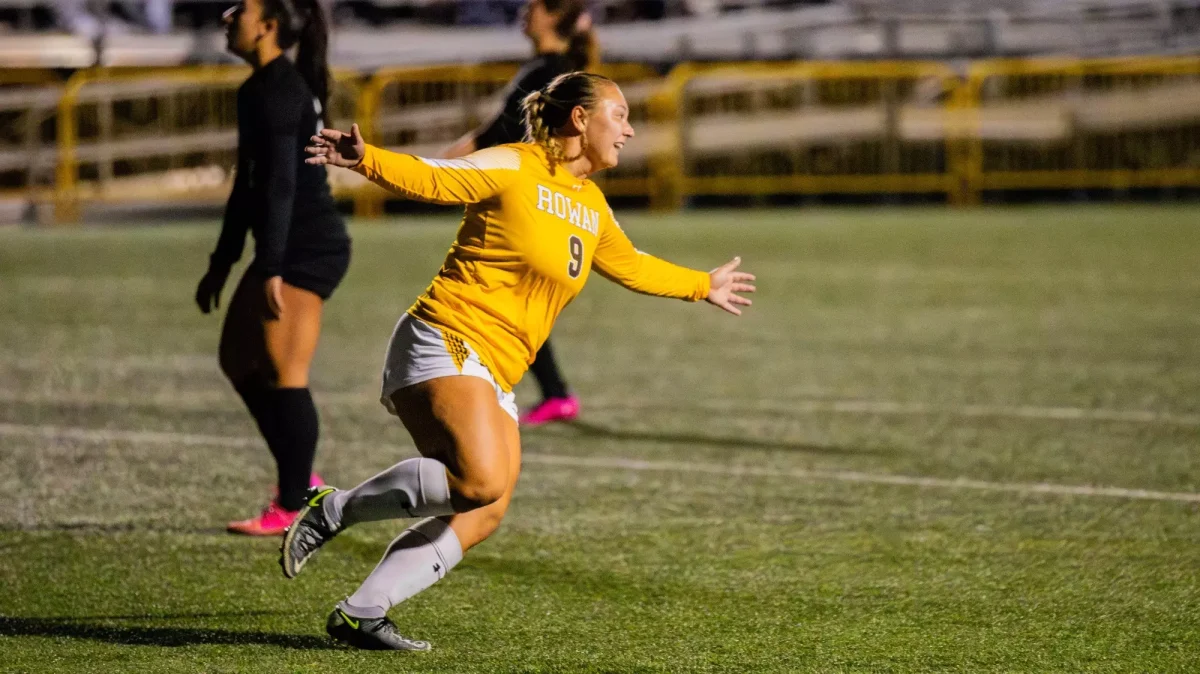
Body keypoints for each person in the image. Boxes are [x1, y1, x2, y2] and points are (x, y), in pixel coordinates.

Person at [282, 71, 755, 651]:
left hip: (496, 368)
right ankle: (336, 509)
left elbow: (631, 264)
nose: (630, 130)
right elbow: (436, 177)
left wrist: (700, 284)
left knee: (485, 509)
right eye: (621, 115)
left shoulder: (591, 204)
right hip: (446, 336)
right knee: (479, 480)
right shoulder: (513, 164)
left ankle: (363, 611)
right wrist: (367, 159)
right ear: (581, 119)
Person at [195, 0, 350, 536]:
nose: (227, 16)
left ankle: (292, 502)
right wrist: (222, 261)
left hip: (307, 248)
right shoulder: (258, 88)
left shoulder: (281, 89)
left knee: (286, 373)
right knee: (238, 359)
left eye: (240, 10)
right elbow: (248, 186)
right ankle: (299, 474)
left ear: (268, 27)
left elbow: (283, 183)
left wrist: (273, 266)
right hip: (282, 249)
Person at [441, 0, 598, 426]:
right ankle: (552, 394)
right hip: (549, 200)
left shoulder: (545, 72)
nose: (524, 11)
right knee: (511, 299)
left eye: (534, 6)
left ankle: (511, 392)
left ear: (553, 16)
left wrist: (430, 171)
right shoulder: (558, 70)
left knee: (490, 297)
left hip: (530, 202)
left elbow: (494, 135)